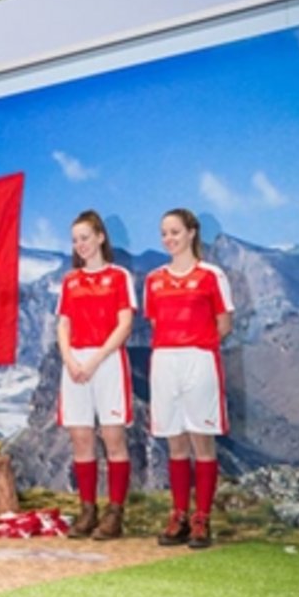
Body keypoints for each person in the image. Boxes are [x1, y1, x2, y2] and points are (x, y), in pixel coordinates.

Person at [144, 208, 234, 549]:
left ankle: (202, 518)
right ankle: (179, 514)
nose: (169, 239)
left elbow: (224, 323)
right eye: (164, 233)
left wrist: (197, 343)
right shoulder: (153, 279)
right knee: (175, 440)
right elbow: (156, 322)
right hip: (165, 360)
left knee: (201, 439)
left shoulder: (212, 275)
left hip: (200, 359)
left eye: (175, 232)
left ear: (192, 232)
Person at [55, 211, 135, 540]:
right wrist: (70, 359)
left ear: (101, 237)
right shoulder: (70, 281)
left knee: (113, 438)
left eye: (85, 237)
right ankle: (87, 510)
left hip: (108, 361)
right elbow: (63, 323)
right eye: (75, 240)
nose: (80, 244)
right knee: (81, 438)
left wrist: (96, 359)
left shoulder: (119, 276)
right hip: (75, 363)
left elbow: (125, 324)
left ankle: (115, 513)